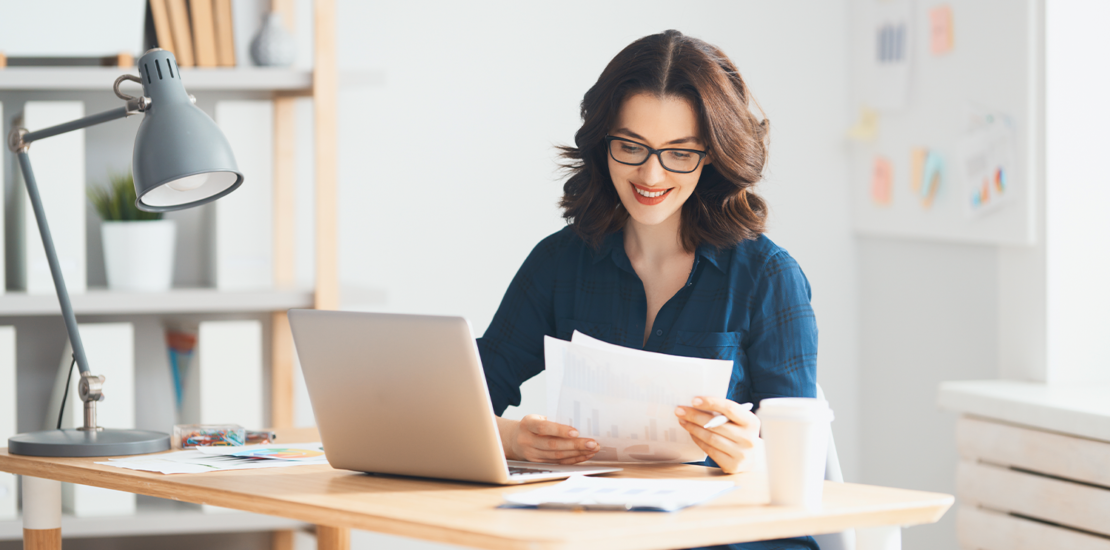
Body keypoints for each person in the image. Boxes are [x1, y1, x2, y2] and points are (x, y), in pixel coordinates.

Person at [477, 30, 818, 550]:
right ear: (603, 142)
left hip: (734, 538)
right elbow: (468, 399)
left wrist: (753, 454)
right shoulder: (559, 262)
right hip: (597, 533)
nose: (650, 173)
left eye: (679, 152)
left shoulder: (767, 276)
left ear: (712, 156)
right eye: (631, 146)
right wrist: (512, 438)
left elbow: (802, 463)